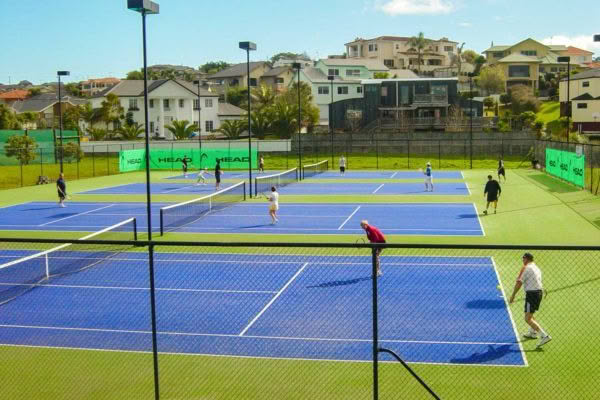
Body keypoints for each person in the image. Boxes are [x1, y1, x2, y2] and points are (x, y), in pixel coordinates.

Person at [509, 253, 552, 349]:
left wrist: (513, 295)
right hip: (538, 293)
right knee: (531, 314)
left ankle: (544, 336)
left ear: (526, 259)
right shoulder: (536, 267)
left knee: (527, 318)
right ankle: (532, 333)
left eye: (523, 259)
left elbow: (519, 282)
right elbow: (538, 280)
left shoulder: (526, 268)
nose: (522, 261)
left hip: (532, 294)